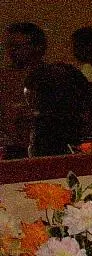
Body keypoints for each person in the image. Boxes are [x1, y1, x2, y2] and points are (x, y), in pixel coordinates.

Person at [0, 22, 46, 159]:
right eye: (9, 46)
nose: (12, 51)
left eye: (17, 46)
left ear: (38, 47)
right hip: (8, 148)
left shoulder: (51, 76)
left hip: (43, 147)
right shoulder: (4, 77)